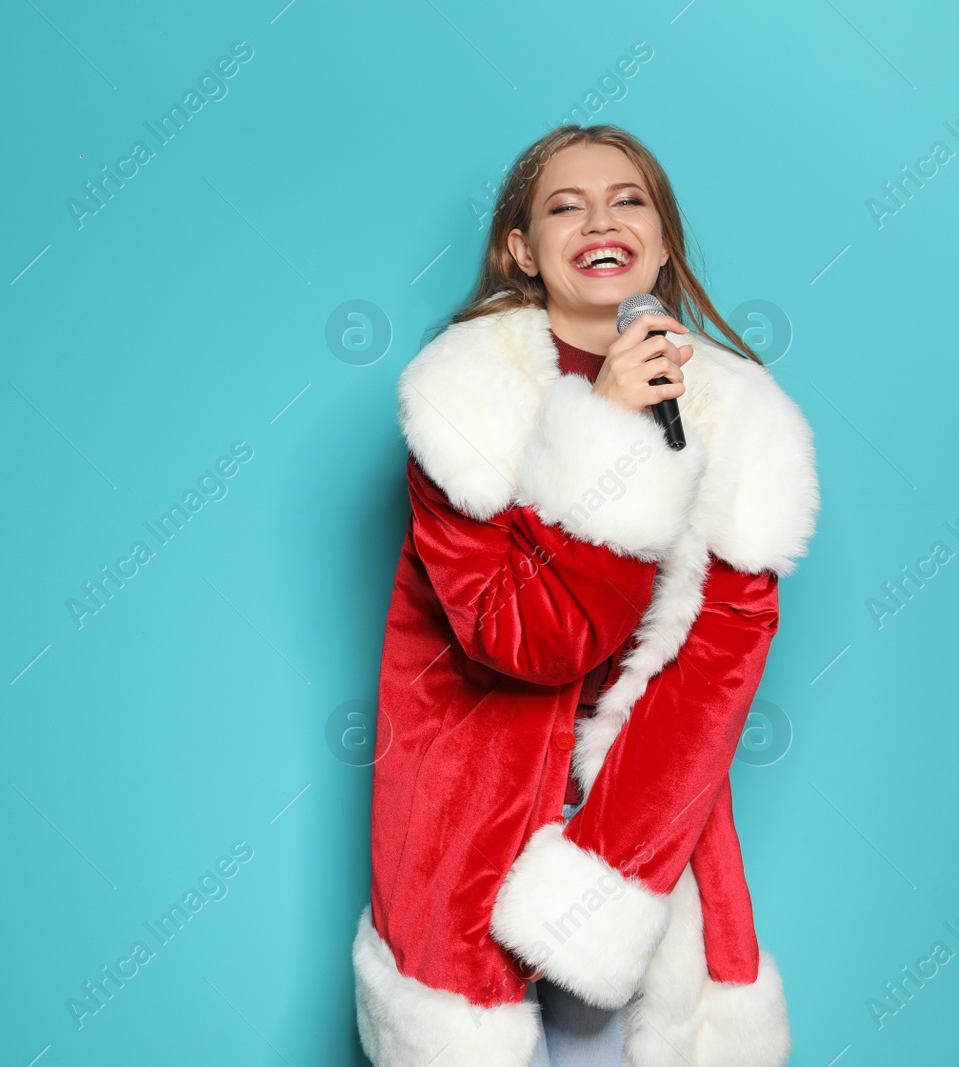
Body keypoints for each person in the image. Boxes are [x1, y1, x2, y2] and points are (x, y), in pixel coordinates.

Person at [352, 124, 819, 1067]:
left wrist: (602, 878)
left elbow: (714, 676)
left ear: (663, 240)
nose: (601, 219)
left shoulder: (737, 414)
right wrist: (604, 430)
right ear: (523, 250)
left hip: (640, 833)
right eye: (566, 204)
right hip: (468, 833)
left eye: (628, 199)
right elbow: (522, 637)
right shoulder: (464, 405)